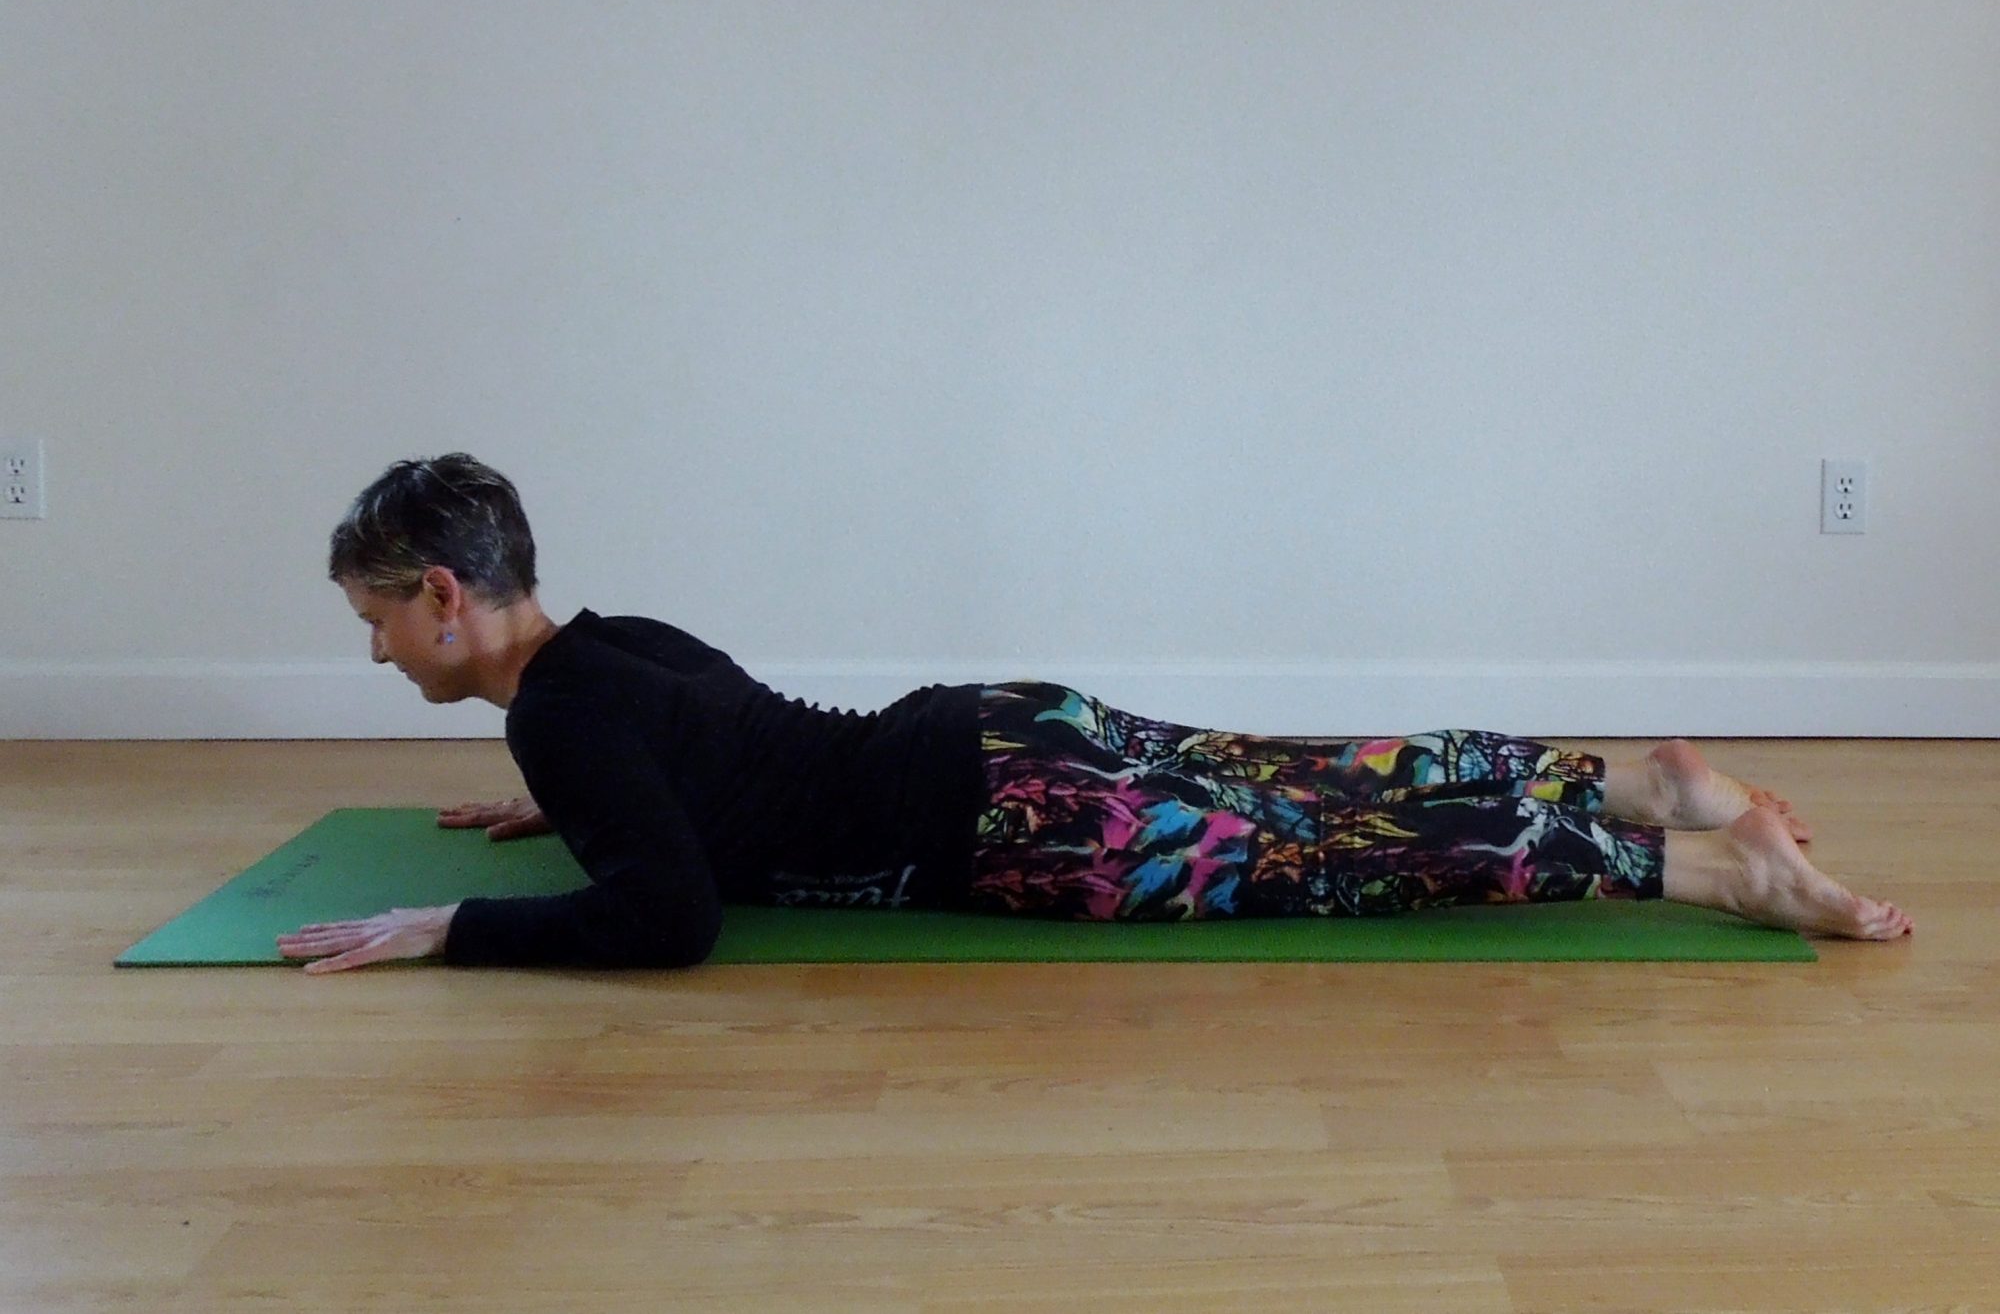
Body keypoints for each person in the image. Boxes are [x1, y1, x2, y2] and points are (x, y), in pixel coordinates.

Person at [279, 454, 1913, 975]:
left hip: (1020, 823)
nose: (378, 655)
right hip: (996, 727)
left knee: (1336, 855)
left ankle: (1712, 874)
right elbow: (719, 746)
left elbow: (671, 921)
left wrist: (451, 930)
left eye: (376, 620)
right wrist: (574, 807)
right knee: (1321, 777)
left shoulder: (560, 720)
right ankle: (1633, 785)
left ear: (444, 595)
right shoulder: (607, 647)